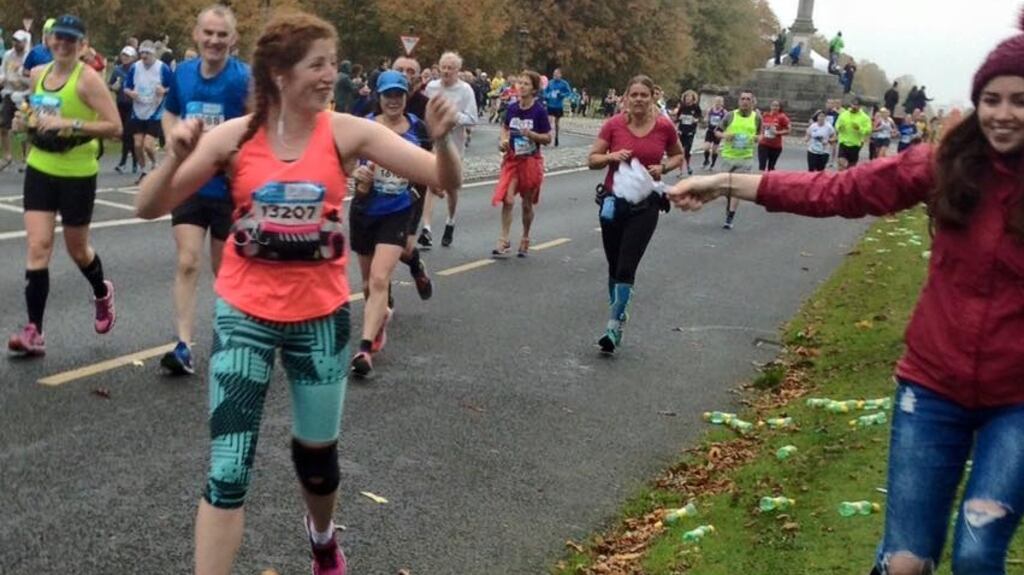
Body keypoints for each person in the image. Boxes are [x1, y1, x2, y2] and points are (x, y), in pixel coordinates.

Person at [670, 14, 1024, 574]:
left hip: (1017, 402)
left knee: (979, 554)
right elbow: (839, 189)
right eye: (992, 99)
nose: (1003, 114)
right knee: (908, 561)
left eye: (1019, 100)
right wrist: (725, 182)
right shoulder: (946, 165)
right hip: (933, 388)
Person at [134, 11, 461, 575]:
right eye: (318, 64)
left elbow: (441, 178)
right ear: (281, 73)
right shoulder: (233, 139)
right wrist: (175, 157)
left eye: (332, 64)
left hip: (320, 318)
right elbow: (148, 205)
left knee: (316, 461)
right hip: (244, 315)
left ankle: (322, 535)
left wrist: (443, 140)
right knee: (228, 469)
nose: (330, 75)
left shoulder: (345, 132)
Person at [8, 14, 122, 357]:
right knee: (38, 245)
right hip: (41, 165)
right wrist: (23, 121)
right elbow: (35, 114)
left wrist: (69, 123)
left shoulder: (88, 81)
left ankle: (101, 291)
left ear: (82, 45)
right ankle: (34, 331)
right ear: (48, 41)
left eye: (71, 39)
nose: (63, 44)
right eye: (58, 38)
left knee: (77, 250)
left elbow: (115, 126)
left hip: (77, 171)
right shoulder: (38, 73)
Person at [158, 4, 250, 376]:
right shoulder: (182, 73)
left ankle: (233, 340)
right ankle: (182, 345)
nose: (214, 40)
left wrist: (229, 149)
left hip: (230, 187)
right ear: (196, 35)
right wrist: (172, 142)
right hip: (192, 182)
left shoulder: (244, 79)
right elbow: (170, 110)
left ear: (233, 39)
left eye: (221, 34)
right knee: (187, 260)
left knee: (224, 270)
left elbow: (259, 124)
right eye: (207, 33)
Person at [587, 74, 683, 355]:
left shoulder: (664, 127)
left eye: (645, 94)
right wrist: (610, 157)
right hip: (613, 203)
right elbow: (592, 160)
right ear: (626, 98)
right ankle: (618, 307)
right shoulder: (613, 125)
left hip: (646, 205)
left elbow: (679, 155)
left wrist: (662, 168)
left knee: (627, 265)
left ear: (653, 96)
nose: (639, 99)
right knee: (614, 265)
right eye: (634, 94)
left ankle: (613, 326)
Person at [348, 70, 434, 378]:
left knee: (380, 278)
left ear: (405, 96)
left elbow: (426, 175)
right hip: (364, 211)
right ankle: (380, 314)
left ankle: (364, 348)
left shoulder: (418, 128)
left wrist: (413, 223)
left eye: (399, 94)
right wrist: (357, 178)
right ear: (379, 97)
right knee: (367, 284)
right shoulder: (364, 128)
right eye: (388, 95)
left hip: (397, 211)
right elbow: (346, 163)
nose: (394, 100)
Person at [419, 51, 477, 248]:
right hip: (435, 143)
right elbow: (424, 113)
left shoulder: (465, 90)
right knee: (431, 181)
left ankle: (450, 221)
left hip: (454, 145)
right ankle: (426, 228)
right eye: (443, 67)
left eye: (450, 68)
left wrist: (453, 118)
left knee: (451, 188)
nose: (446, 71)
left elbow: (472, 119)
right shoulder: (431, 87)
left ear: (458, 70)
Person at [491, 69, 551, 258]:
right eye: (520, 83)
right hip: (512, 160)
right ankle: (504, 240)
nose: (521, 86)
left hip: (531, 162)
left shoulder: (539, 111)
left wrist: (532, 135)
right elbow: (506, 128)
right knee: (507, 199)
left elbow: (548, 138)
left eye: (526, 84)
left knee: (526, 204)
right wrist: (503, 140)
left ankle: (525, 236)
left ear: (534, 89)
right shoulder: (513, 108)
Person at [125, 40, 173, 180]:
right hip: (138, 109)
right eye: (142, 53)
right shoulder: (135, 67)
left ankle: (155, 164)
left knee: (148, 145)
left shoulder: (162, 68)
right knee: (138, 144)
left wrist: (163, 90)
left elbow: (172, 87)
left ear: (153, 54)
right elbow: (126, 87)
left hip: (155, 110)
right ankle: (144, 170)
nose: (144, 56)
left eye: (147, 53)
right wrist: (131, 93)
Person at [716, 90, 762, 229]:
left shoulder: (757, 117)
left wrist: (756, 138)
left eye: (748, 99)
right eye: (742, 98)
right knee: (726, 189)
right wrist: (725, 136)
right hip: (728, 156)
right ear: (739, 101)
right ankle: (729, 206)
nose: (745, 101)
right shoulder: (730, 115)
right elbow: (717, 131)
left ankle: (730, 216)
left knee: (737, 188)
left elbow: (761, 135)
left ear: (752, 102)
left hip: (745, 157)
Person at [0, 30, 31, 171]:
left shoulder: (29, 57)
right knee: (3, 125)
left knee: (23, 128)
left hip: (23, 94)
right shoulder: (8, 55)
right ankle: (7, 157)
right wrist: (3, 79)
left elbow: (31, 79)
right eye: (14, 40)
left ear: (25, 42)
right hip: (9, 93)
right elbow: (3, 71)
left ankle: (26, 158)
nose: (16, 43)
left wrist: (20, 78)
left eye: (19, 41)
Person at [109, 46, 138, 173]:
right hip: (121, 104)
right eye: (123, 55)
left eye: (128, 56)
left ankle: (124, 161)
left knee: (128, 133)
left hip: (133, 105)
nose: (125, 58)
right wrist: (113, 87)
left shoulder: (137, 69)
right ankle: (133, 161)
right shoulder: (117, 70)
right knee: (125, 135)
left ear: (133, 58)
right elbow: (110, 85)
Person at [834, 96, 871, 170]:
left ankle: (848, 178)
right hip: (843, 143)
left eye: (857, 105)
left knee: (851, 168)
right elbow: (837, 125)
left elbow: (868, 130)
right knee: (841, 164)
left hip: (855, 144)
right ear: (850, 104)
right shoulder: (844, 114)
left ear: (860, 106)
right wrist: (839, 127)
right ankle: (841, 179)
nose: (854, 106)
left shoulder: (865, 117)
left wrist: (859, 128)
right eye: (853, 104)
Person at [673, 90, 701, 176]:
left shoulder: (696, 107)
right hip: (681, 131)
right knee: (680, 151)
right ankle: (680, 170)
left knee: (687, 150)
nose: (688, 99)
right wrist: (679, 119)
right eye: (686, 97)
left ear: (693, 98)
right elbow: (677, 118)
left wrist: (695, 119)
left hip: (690, 132)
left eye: (690, 97)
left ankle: (688, 166)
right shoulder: (682, 107)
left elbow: (700, 117)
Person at [757, 99, 790, 172]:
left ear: (780, 107)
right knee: (761, 167)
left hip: (775, 146)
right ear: (770, 106)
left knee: (771, 168)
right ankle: (761, 181)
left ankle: (770, 182)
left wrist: (777, 132)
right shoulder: (765, 115)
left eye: (777, 106)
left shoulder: (782, 117)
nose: (775, 107)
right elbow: (760, 127)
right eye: (773, 105)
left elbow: (788, 130)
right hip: (764, 144)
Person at [543, 67, 571, 146]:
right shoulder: (550, 82)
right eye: (554, 74)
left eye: (556, 74)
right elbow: (545, 91)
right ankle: (547, 137)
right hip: (550, 104)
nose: (555, 76)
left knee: (556, 123)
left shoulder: (564, 83)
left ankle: (556, 137)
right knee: (548, 121)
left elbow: (569, 92)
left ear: (560, 75)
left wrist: (562, 95)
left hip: (558, 105)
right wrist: (547, 96)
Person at [702, 95, 726, 170]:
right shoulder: (711, 110)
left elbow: (726, 122)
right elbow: (706, 118)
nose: (717, 104)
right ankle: (706, 160)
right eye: (716, 102)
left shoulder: (724, 112)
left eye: (719, 102)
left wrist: (723, 129)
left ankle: (712, 164)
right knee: (706, 147)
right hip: (710, 130)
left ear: (722, 103)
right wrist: (706, 120)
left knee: (715, 149)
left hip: (718, 132)